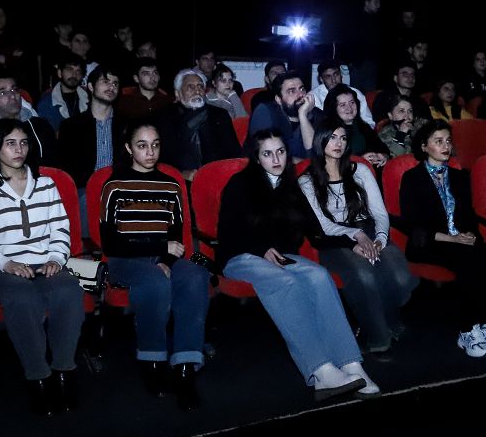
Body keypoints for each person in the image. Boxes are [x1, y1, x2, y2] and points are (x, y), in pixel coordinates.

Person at [217, 128, 380, 400]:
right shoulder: (240, 184)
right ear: (256, 158)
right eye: (267, 154)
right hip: (241, 256)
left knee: (319, 276)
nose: (276, 159)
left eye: (280, 152)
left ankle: (351, 363)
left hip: (280, 257)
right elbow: (228, 233)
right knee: (285, 281)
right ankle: (321, 370)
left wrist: (350, 242)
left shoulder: (292, 186)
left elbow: (316, 231)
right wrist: (260, 249)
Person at [0, 119, 84, 416]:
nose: (19, 149)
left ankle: (64, 371)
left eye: (23, 143)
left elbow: (61, 230)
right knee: (22, 297)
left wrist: (56, 258)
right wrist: (7, 263)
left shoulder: (46, 184)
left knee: (69, 289)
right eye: (10, 143)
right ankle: (38, 376)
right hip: (1, 272)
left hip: (45, 265)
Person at [99, 121, 210, 410]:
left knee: (195, 274)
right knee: (154, 281)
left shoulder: (170, 185)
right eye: (142, 145)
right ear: (129, 149)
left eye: (155, 145)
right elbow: (111, 244)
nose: (150, 152)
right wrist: (159, 248)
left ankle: (185, 366)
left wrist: (165, 260)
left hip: (161, 259)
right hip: (125, 261)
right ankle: (153, 362)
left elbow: (177, 240)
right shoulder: (114, 186)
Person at [299, 122, 418, 355]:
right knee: (365, 276)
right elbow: (323, 225)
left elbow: (380, 213)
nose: (339, 143)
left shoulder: (360, 170)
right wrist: (356, 235)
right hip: (336, 239)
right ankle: (378, 335)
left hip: (371, 229)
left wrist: (380, 239)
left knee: (402, 276)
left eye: (343, 138)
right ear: (320, 141)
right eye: (332, 137)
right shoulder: (307, 180)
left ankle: (388, 319)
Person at [399, 120, 486, 357]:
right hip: (428, 243)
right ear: (424, 146)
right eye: (438, 141)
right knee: (467, 259)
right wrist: (453, 239)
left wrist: (469, 235)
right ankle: (468, 329)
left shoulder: (459, 177)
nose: (446, 146)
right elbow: (414, 225)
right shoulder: (412, 178)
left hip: (458, 240)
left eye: (448, 141)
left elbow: (468, 216)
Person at [58, 64, 121, 236]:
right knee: (87, 200)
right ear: (91, 87)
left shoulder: (126, 125)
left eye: (115, 83)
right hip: (84, 189)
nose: (112, 87)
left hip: (119, 188)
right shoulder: (71, 127)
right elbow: (66, 170)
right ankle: (88, 249)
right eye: (106, 81)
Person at [157, 68, 241, 181]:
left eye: (200, 86)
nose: (197, 91)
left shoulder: (219, 115)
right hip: (179, 179)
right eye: (190, 87)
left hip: (217, 177)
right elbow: (162, 158)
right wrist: (181, 174)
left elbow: (234, 153)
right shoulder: (166, 117)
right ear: (178, 94)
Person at [248, 71, 321, 159]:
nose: (300, 95)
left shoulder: (316, 114)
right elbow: (267, 156)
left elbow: (315, 156)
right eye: (291, 91)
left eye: (302, 89)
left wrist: (303, 116)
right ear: (278, 99)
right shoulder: (265, 112)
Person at [322, 84, 388, 168]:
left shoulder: (363, 126)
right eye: (343, 105)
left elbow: (382, 149)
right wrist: (360, 160)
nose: (349, 108)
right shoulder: (329, 132)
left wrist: (382, 156)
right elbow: (332, 161)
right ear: (333, 108)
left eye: (352, 102)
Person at [35, 51, 89, 132]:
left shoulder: (89, 97)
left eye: (78, 71)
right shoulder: (47, 102)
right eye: (70, 69)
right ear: (60, 73)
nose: (74, 75)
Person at [309, 59, 374, 125]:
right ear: (321, 79)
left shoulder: (356, 93)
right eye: (328, 77)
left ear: (341, 74)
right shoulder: (314, 97)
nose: (333, 80)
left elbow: (369, 122)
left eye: (336, 74)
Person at [116, 57, 172, 122]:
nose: (152, 77)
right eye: (146, 74)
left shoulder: (167, 101)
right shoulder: (126, 102)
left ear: (159, 76)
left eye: (155, 72)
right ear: (136, 78)